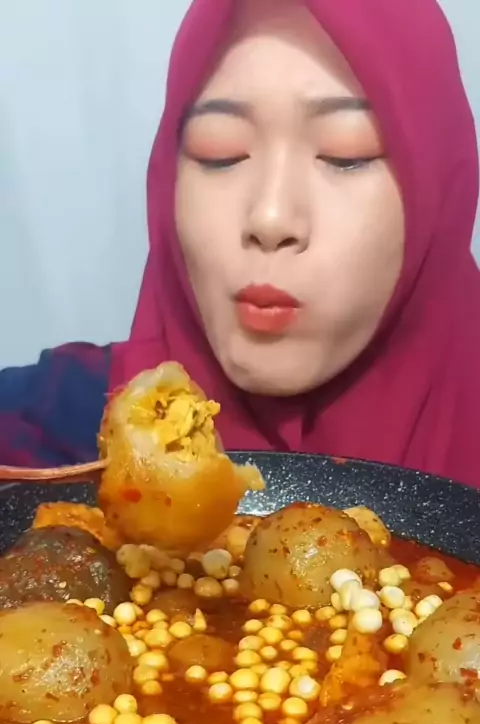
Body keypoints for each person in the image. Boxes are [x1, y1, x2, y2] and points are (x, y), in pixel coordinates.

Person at [1, 0, 480, 486]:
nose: (270, 217)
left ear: (439, 191)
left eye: (345, 153)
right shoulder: (45, 431)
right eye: (220, 151)